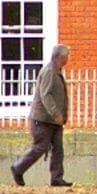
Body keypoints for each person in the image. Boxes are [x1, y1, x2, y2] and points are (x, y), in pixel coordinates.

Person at [10, 44, 73, 186]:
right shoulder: (49, 71)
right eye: (67, 56)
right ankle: (18, 168)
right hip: (42, 119)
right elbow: (46, 95)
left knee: (58, 149)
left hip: (54, 121)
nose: (68, 58)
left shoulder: (56, 70)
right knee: (40, 147)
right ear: (61, 57)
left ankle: (56, 178)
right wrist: (56, 112)